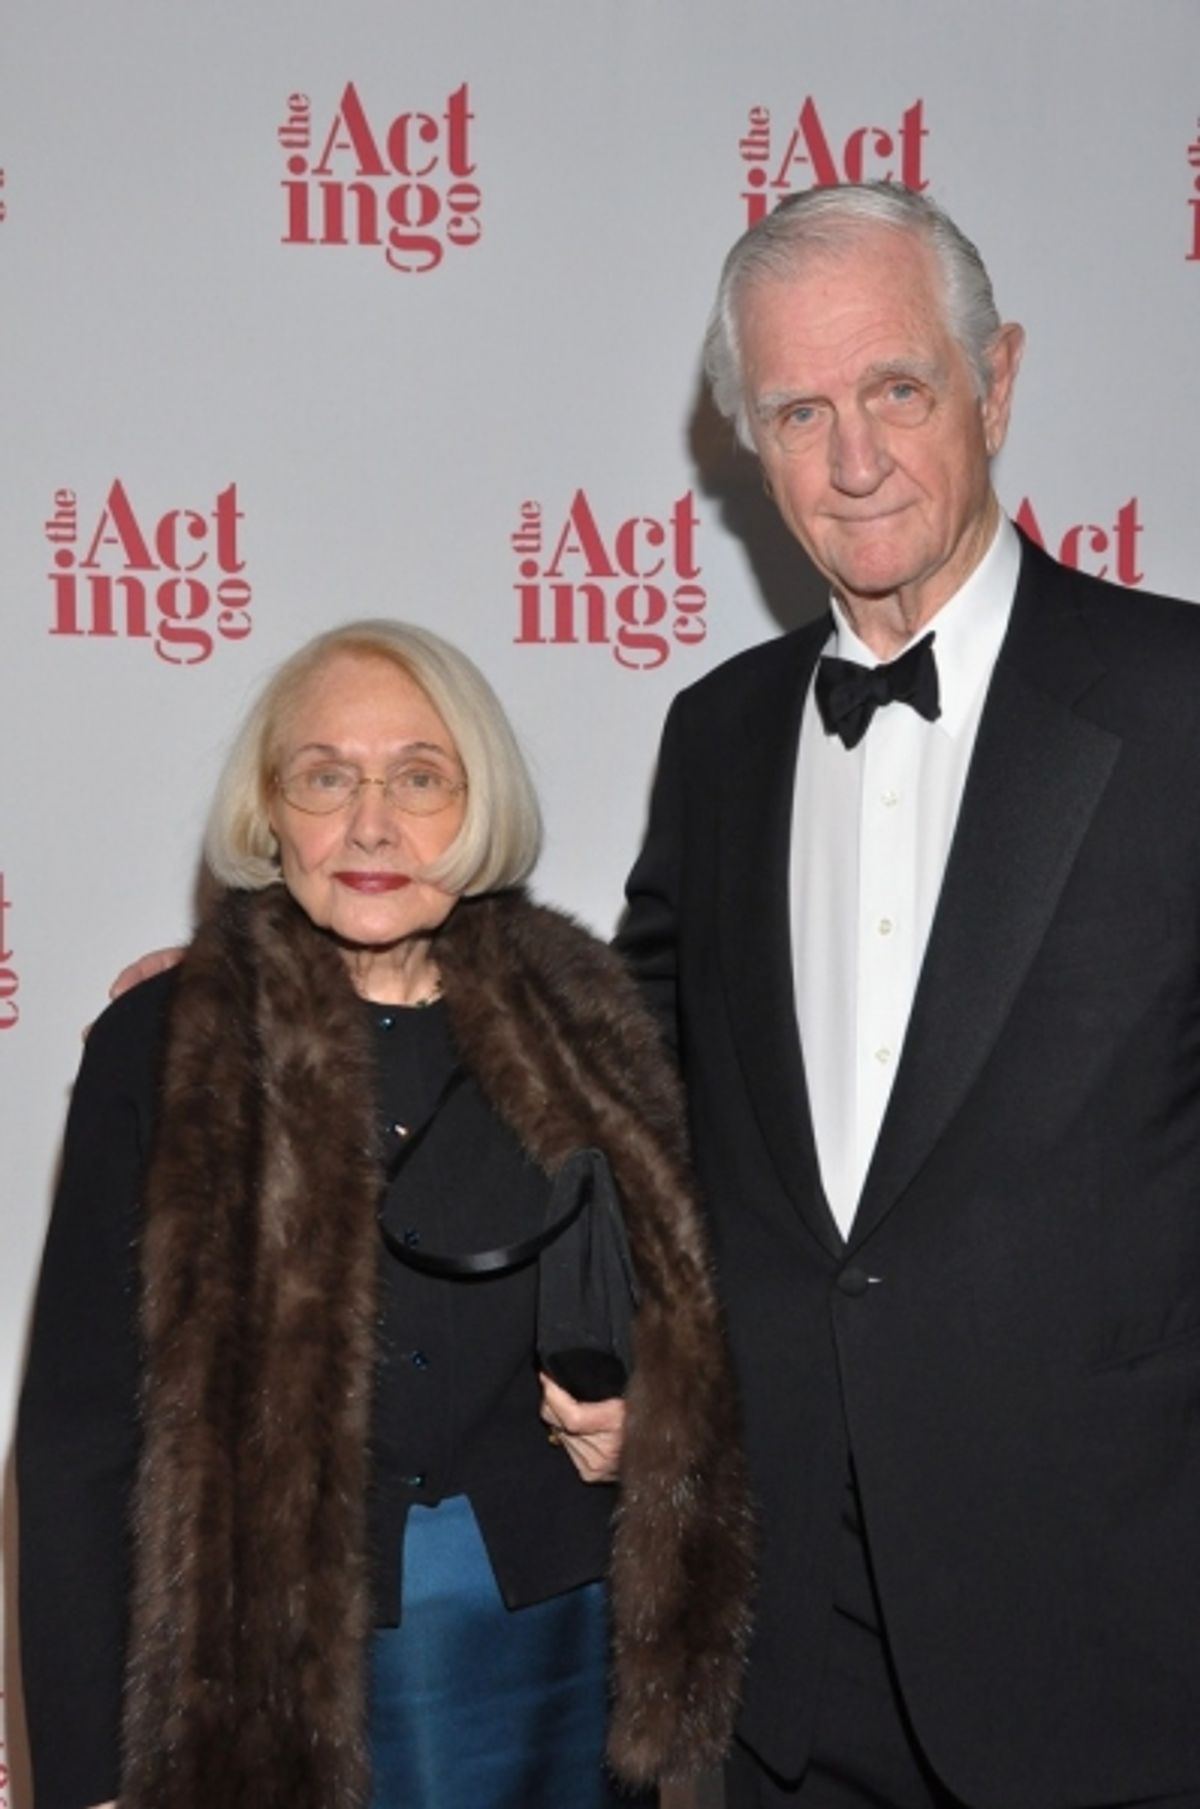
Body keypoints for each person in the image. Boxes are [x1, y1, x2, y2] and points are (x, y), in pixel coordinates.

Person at [618, 179, 1200, 1808]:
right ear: (749, 442)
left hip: (1120, 1654)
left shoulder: (1179, 708)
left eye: (897, 387)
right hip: (788, 1666)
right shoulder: (720, 737)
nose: (854, 455)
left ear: (995, 383)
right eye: (800, 408)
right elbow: (616, 1069)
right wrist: (292, 984)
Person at [16, 619, 754, 1809]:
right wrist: (91, 1776)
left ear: (480, 805)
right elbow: (74, 1433)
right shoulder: (167, 1045)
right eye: (325, 777)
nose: (370, 824)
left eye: (420, 777)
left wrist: (662, 1426)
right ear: (270, 812)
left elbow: (726, 1307)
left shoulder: (596, 1024)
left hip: (559, 1647)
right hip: (256, 1665)